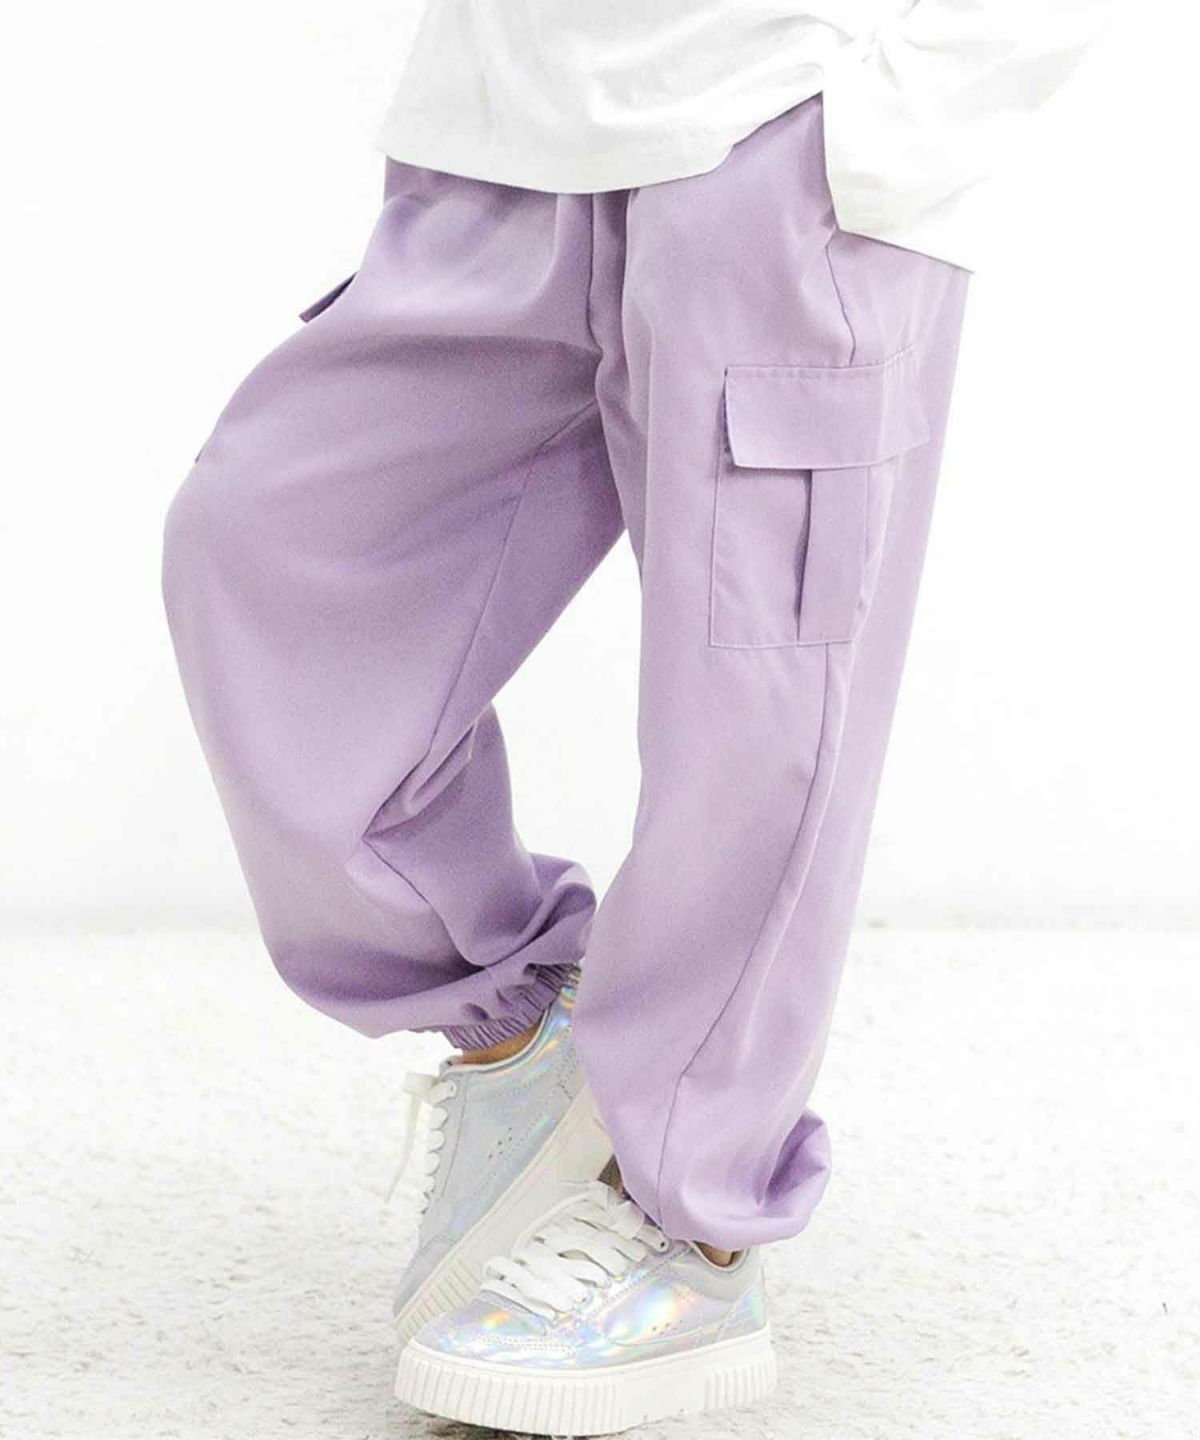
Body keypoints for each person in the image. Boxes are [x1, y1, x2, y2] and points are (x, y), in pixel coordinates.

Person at [162, 1, 1104, 1431]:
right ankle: (516, 1039)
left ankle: (690, 1212)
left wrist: (895, 118)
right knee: (268, 547)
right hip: (505, 117)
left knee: (756, 707)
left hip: (792, 120)